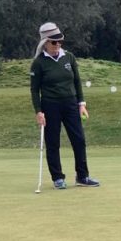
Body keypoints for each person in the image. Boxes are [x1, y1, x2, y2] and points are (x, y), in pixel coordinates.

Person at [30, 22, 100, 189]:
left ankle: (82, 176)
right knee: (53, 142)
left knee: (79, 140)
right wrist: (38, 111)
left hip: (70, 104)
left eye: (60, 41)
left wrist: (81, 104)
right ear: (45, 43)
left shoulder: (69, 57)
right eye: (54, 42)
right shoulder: (39, 63)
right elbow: (34, 90)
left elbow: (76, 82)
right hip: (50, 105)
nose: (58, 44)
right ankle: (58, 178)